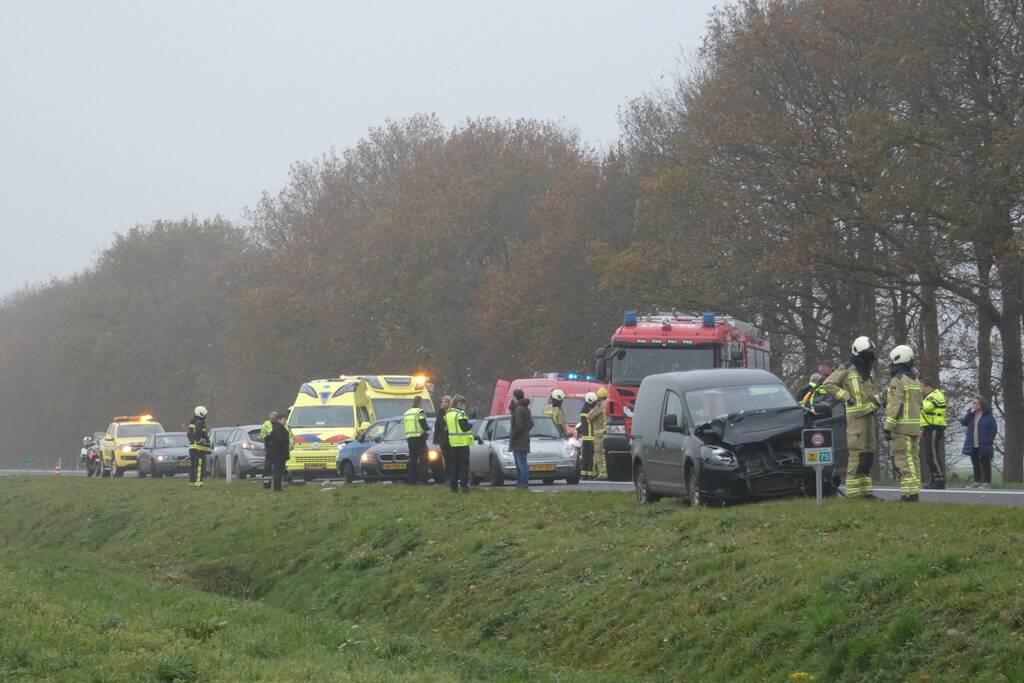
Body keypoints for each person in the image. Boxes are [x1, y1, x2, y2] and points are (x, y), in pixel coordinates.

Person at [823, 336, 882, 500]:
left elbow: (872, 390)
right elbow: (829, 384)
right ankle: (854, 493)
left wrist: (878, 400)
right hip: (856, 417)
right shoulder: (847, 368)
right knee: (857, 453)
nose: (869, 357)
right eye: (866, 354)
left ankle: (866, 491)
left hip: (869, 414)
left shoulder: (869, 370)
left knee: (868, 452)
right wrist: (847, 397)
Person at [884, 345, 924, 502]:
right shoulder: (915, 380)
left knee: (903, 460)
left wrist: (888, 427)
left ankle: (909, 494)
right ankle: (914, 490)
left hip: (901, 428)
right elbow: (919, 403)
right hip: (914, 428)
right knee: (913, 460)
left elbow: (895, 405)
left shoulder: (897, 380)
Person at [961, 398, 998, 489]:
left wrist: (989, 440)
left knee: (986, 463)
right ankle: (976, 481)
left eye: (977, 403)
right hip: (973, 443)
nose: (975, 404)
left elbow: (993, 429)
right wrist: (970, 413)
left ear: (982, 404)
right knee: (975, 463)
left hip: (984, 444)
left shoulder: (988, 416)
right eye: (974, 403)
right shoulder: (971, 415)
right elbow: (964, 422)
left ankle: (987, 482)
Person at [920, 381, 948, 489]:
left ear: (928, 386)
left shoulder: (934, 395)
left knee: (933, 455)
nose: (921, 390)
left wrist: (916, 400)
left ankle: (940, 481)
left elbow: (927, 408)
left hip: (934, 427)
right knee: (929, 456)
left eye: (922, 387)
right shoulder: (929, 396)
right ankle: (934, 479)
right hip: (929, 427)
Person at [445, 395, 473, 493]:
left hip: (453, 443)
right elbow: (464, 427)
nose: (464, 406)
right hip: (462, 443)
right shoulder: (460, 413)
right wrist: (471, 424)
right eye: (463, 403)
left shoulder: (448, 413)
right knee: (464, 466)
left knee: (455, 466)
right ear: (459, 403)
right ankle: (464, 487)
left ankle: (453, 487)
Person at [403, 396, 430, 485]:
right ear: (419, 402)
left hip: (410, 439)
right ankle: (423, 480)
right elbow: (424, 424)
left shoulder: (407, 413)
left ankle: (412, 480)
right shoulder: (420, 412)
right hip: (419, 439)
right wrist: (428, 429)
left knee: (412, 460)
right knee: (423, 460)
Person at [510, 392, 533, 489]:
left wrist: (513, 437)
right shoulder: (525, 409)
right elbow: (531, 423)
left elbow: (519, 425)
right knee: (521, 464)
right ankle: (520, 484)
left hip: (518, 441)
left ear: (515, 397)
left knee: (521, 465)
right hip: (524, 440)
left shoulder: (519, 410)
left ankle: (523, 484)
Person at [187, 405, 212, 488]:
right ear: (201, 414)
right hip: (199, 449)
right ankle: (198, 482)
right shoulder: (199, 424)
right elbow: (201, 436)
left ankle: (192, 481)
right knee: (199, 465)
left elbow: (189, 435)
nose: (205, 417)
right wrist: (206, 442)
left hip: (192, 447)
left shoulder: (192, 423)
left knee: (193, 465)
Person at [265, 412, 290, 492]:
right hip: (279, 454)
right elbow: (279, 441)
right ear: (279, 419)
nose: (285, 421)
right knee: (278, 471)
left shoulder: (276, 428)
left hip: (276, 454)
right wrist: (285, 445)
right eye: (284, 419)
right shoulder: (279, 429)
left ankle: (278, 487)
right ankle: (277, 488)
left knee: (278, 471)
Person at [589, 388, 609, 479]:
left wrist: (594, 407)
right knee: (605, 454)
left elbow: (590, 416)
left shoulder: (601, 405)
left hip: (599, 434)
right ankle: (606, 473)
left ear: (599, 397)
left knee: (598, 454)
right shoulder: (609, 404)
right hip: (607, 433)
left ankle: (602, 474)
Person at [578, 393, 597, 479]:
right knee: (590, 457)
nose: (595, 404)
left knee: (585, 456)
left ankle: (584, 474)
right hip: (590, 437)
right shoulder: (589, 410)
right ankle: (590, 475)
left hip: (585, 437)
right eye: (594, 402)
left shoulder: (583, 409)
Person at [434, 395, 452, 482]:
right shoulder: (440, 412)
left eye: (445, 402)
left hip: (452, 438)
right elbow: (437, 426)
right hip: (443, 439)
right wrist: (435, 440)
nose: (444, 403)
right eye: (443, 402)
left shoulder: (452, 412)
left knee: (451, 458)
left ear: (449, 402)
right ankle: (447, 476)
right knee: (445, 458)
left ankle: (452, 476)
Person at [261, 411, 278, 488]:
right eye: (272, 418)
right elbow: (262, 435)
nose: (273, 419)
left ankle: (278, 483)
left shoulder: (280, 424)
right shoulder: (266, 424)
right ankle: (266, 483)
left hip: (278, 449)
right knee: (267, 466)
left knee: (278, 467)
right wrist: (267, 435)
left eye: (274, 418)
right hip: (269, 449)